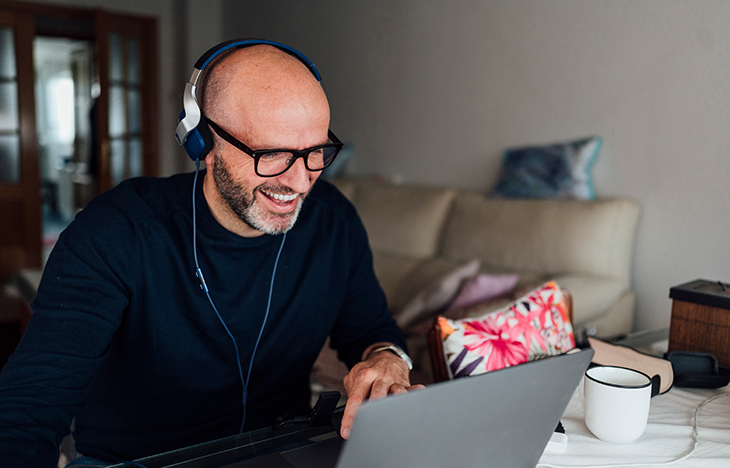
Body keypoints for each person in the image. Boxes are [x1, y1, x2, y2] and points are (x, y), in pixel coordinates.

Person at [0, 40, 420, 467]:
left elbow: (371, 327)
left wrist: (386, 359)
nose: (300, 181)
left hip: (281, 452)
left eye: (316, 152)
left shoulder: (334, 221)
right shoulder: (115, 232)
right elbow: (31, 405)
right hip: (140, 461)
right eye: (272, 154)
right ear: (202, 140)